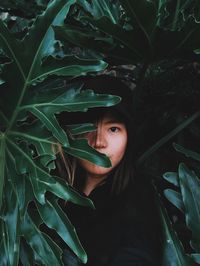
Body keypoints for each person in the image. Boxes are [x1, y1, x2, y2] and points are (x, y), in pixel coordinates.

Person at [57, 75, 162, 266]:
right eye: (87, 127)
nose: (99, 142)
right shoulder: (48, 191)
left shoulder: (136, 202)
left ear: (129, 137)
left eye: (113, 129)